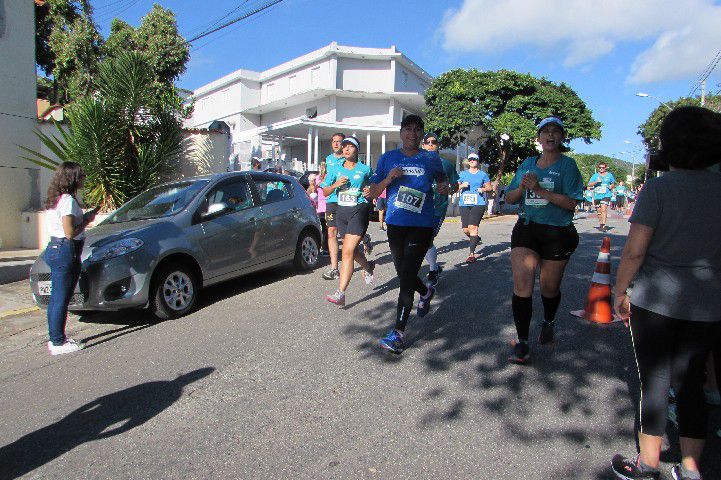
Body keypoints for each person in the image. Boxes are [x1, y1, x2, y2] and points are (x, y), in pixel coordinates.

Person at [610, 106, 721, 480]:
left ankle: (648, 463)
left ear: (669, 146)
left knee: (654, 381)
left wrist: (619, 290)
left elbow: (635, 251)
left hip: (655, 301)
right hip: (709, 304)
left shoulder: (658, 189)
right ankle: (691, 469)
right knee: (691, 384)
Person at [366, 115, 449, 354]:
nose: (412, 134)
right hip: (395, 223)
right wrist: (389, 178)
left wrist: (446, 188)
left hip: (422, 224)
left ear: (422, 134)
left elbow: (444, 184)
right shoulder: (387, 158)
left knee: (406, 276)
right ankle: (425, 291)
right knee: (403, 270)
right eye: (408, 129)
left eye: (417, 130)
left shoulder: (431, 159)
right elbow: (373, 192)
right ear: (401, 132)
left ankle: (398, 333)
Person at [504, 117, 584, 364]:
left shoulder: (568, 166)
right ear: (538, 138)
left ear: (561, 138)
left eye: (555, 132)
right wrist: (523, 188)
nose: (549, 136)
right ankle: (523, 341)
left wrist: (539, 190)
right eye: (545, 132)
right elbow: (509, 197)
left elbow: (572, 202)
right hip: (527, 229)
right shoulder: (527, 164)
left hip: (557, 232)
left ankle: (548, 320)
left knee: (549, 288)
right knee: (522, 284)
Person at [43, 162, 97, 355]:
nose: (83, 179)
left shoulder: (56, 198)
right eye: (81, 176)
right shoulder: (67, 201)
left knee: (57, 298)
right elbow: (69, 232)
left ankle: (56, 338)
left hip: (56, 247)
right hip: (66, 249)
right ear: (73, 178)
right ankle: (57, 342)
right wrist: (87, 220)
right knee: (60, 299)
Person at [322, 137, 375, 306]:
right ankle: (367, 266)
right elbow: (325, 191)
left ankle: (341, 293)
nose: (345, 149)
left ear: (356, 150)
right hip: (341, 212)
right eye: (344, 147)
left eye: (350, 146)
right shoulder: (336, 168)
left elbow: (374, 188)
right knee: (351, 251)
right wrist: (336, 184)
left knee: (346, 252)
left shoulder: (365, 169)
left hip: (359, 210)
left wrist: (370, 190)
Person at [421, 131, 459, 286]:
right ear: (423, 145)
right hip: (419, 208)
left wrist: (449, 191)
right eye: (428, 142)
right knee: (421, 241)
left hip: (438, 208)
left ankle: (432, 271)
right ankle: (435, 267)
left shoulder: (446, 165)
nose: (431, 144)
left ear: (437, 145)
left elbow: (455, 185)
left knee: (427, 239)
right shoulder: (417, 162)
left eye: (433, 142)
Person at [458, 153, 493, 263]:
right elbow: (455, 188)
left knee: (473, 227)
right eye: (470, 159)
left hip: (478, 203)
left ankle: (471, 254)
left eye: (474, 159)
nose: (472, 160)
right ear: (468, 161)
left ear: (478, 161)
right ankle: (476, 239)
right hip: (464, 203)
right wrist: (462, 186)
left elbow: (489, 187)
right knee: (465, 229)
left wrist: (482, 189)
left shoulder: (483, 174)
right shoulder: (463, 174)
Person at [320, 133, 345, 280]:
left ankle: (364, 237)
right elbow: (325, 179)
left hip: (346, 200)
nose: (336, 144)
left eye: (339, 142)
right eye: (334, 142)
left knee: (348, 234)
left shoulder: (348, 158)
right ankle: (334, 268)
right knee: (332, 232)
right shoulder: (328, 160)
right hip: (331, 200)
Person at [588, 162, 616, 231]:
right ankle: (601, 224)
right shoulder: (595, 176)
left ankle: (604, 225)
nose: (601, 169)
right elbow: (589, 184)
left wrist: (611, 186)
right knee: (599, 211)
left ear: (605, 168)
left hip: (606, 194)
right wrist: (596, 182)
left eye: (603, 167)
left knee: (604, 209)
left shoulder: (609, 175)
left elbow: (613, 183)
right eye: (600, 167)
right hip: (597, 195)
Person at [307, 171, 329, 255]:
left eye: (312, 180)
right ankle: (324, 248)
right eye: (310, 180)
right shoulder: (311, 189)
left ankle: (325, 248)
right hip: (318, 211)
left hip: (325, 208)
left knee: (326, 230)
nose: (311, 181)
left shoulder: (318, 187)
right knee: (323, 230)